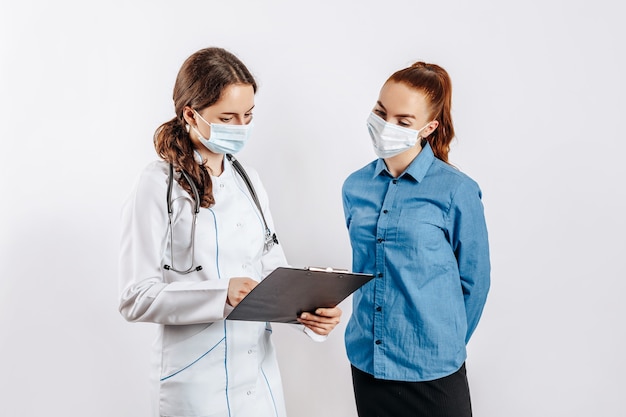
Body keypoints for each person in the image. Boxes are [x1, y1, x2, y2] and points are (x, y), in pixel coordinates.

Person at [118, 47, 342, 417]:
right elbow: (135, 297)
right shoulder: (157, 184)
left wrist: (311, 311)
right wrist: (220, 294)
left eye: (248, 116)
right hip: (195, 384)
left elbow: (273, 275)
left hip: (259, 380)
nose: (241, 128)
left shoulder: (248, 181)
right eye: (227, 117)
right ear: (190, 113)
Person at [341, 61, 490, 417]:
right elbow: (366, 268)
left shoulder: (457, 191)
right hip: (368, 360)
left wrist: (439, 343)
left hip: (433, 371)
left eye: (403, 121)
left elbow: (475, 282)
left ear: (428, 127)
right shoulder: (354, 187)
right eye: (381, 112)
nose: (386, 126)